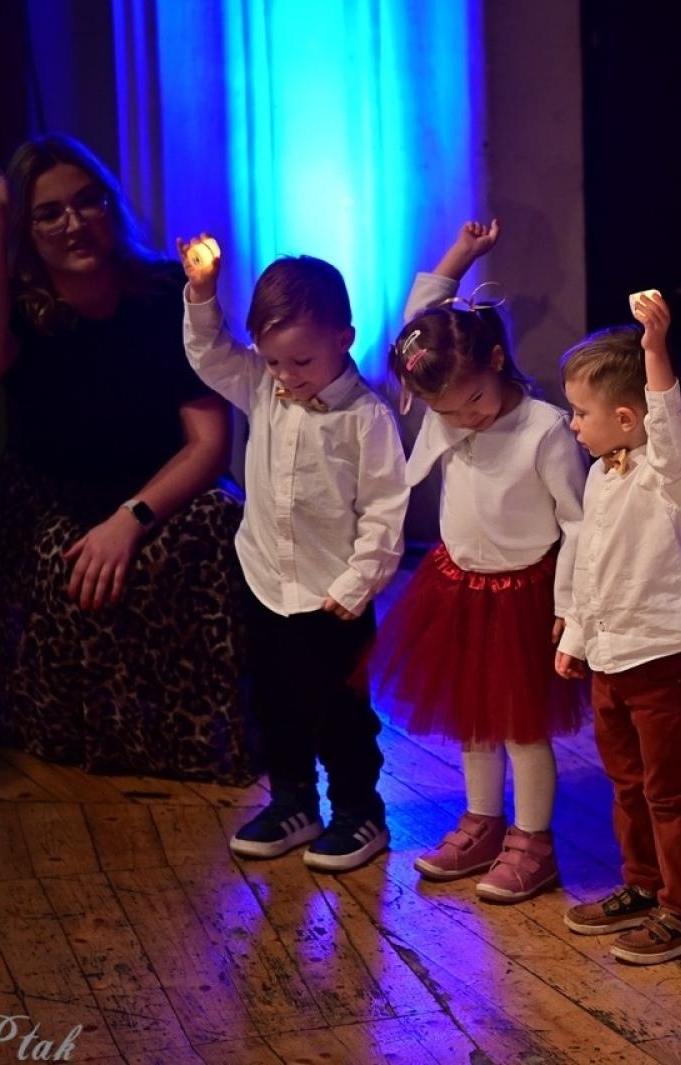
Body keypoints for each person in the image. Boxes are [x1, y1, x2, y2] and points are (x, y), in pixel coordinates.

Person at [0, 134, 250, 782]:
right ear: (29, 228)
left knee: (220, 520)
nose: (75, 222)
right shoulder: (21, 307)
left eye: (88, 202)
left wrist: (130, 518)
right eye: (49, 213)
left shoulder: (166, 293)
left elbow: (208, 443)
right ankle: (100, 725)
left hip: (152, 491)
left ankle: (200, 729)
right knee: (69, 561)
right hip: (51, 496)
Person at [370, 220, 587, 903]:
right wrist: (461, 254)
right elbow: (421, 317)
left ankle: (534, 840)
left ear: (497, 360)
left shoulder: (545, 429)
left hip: (527, 591)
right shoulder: (444, 389)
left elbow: (580, 523)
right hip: (458, 584)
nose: (463, 420)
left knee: (523, 726)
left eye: (474, 406)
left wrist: (572, 608)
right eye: (447, 412)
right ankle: (483, 822)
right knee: (473, 720)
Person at [179, 235, 408, 871]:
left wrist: (359, 582)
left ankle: (360, 812)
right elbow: (208, 353)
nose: (286, 377)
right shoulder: (260, 385)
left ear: (344, 337)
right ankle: (292, 803)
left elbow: (387, 511)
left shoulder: (367, 418)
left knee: (339, 711)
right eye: (274, 362)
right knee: (275, 703)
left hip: (333, 595)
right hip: (265, 582)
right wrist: (201, 294)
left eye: (301, 362)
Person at [554, 291, 681, 965]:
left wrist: (653, 350)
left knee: (668, 789)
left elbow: (668, 423)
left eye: (581, 412)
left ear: (625, 416)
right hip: (610, 662)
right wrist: (576, 639)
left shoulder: (669, 474)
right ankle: (643, 885)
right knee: (626, 782)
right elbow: (591, 566)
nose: (571, 423)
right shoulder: (600, 477)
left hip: (662, 658)